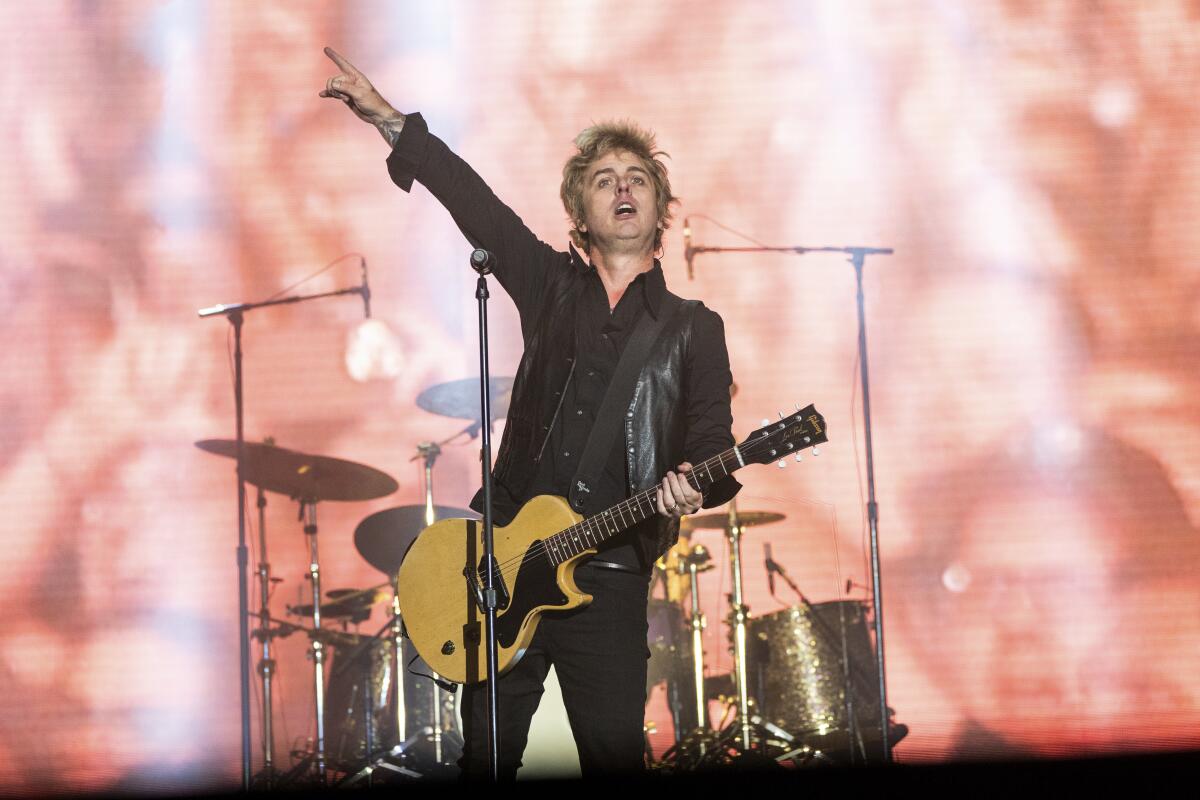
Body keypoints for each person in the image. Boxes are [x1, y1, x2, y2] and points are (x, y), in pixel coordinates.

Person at [320, 47, 740, 778]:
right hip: (505, 567)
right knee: (482, 763)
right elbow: (473, 200)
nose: (622, 189)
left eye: (637, 178)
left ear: (660, 206)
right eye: (604, 180)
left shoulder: (692, 328)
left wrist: (694, 482)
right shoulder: (550, 286)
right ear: (579, 209)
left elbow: (714, 445)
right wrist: (392, 123)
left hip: (608, 578)